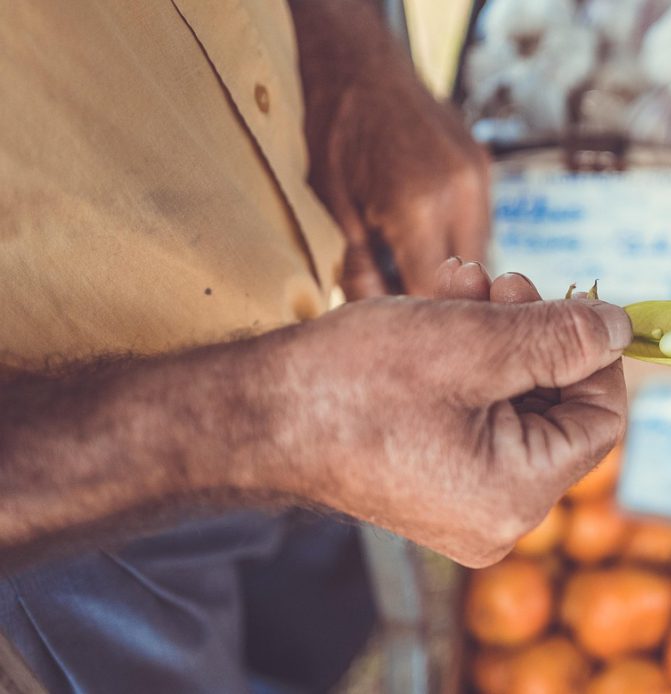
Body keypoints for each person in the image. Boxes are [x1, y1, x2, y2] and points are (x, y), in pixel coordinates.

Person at [0, 1, 631, 691]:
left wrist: (344, 46)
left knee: (323, 626)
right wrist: (277, 420)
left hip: (300, 325)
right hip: (67, 526)